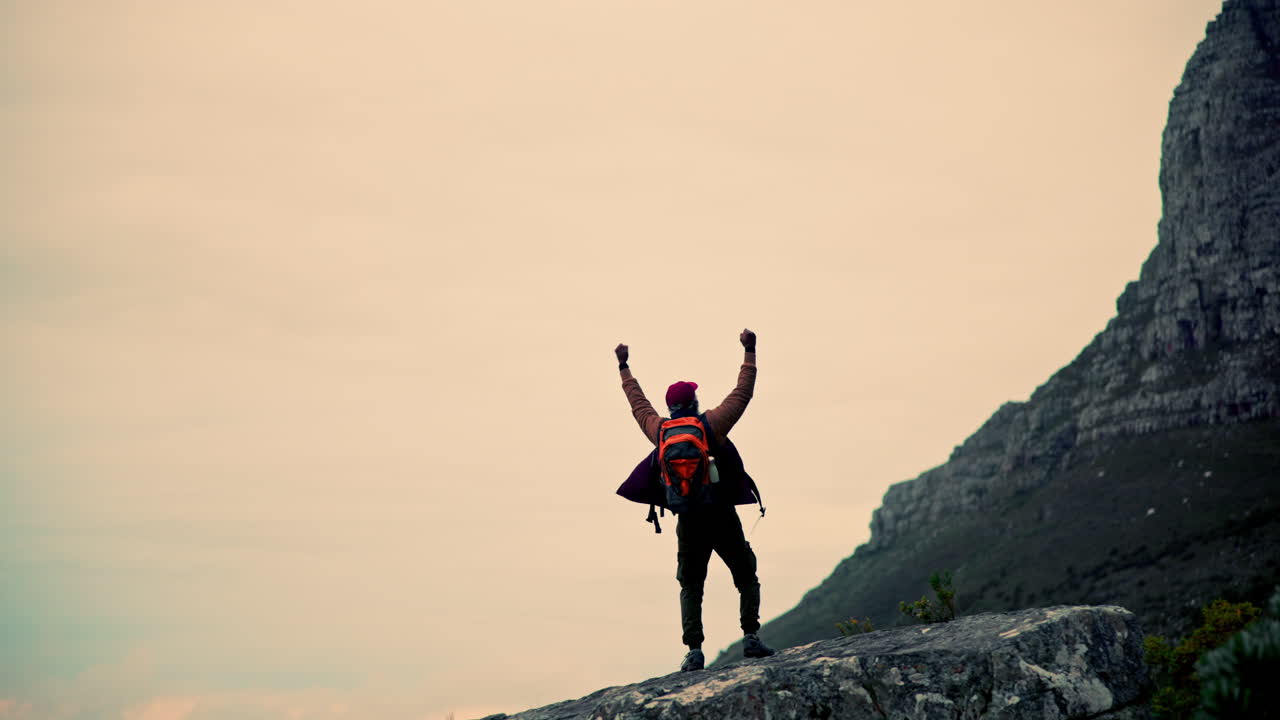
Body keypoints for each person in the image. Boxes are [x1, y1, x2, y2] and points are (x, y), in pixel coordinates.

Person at [614, 328, 775, 672]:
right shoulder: (713, 424)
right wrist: (750, 350)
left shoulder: (658, 430)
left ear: (671, 407)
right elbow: (743, 392)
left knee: (691, 584)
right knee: (745, 574)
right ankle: (751, 637)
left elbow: (637, 403)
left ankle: (695, 651)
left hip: (688, 518)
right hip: (721, 514)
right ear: (695, 403)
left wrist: (624, 367)